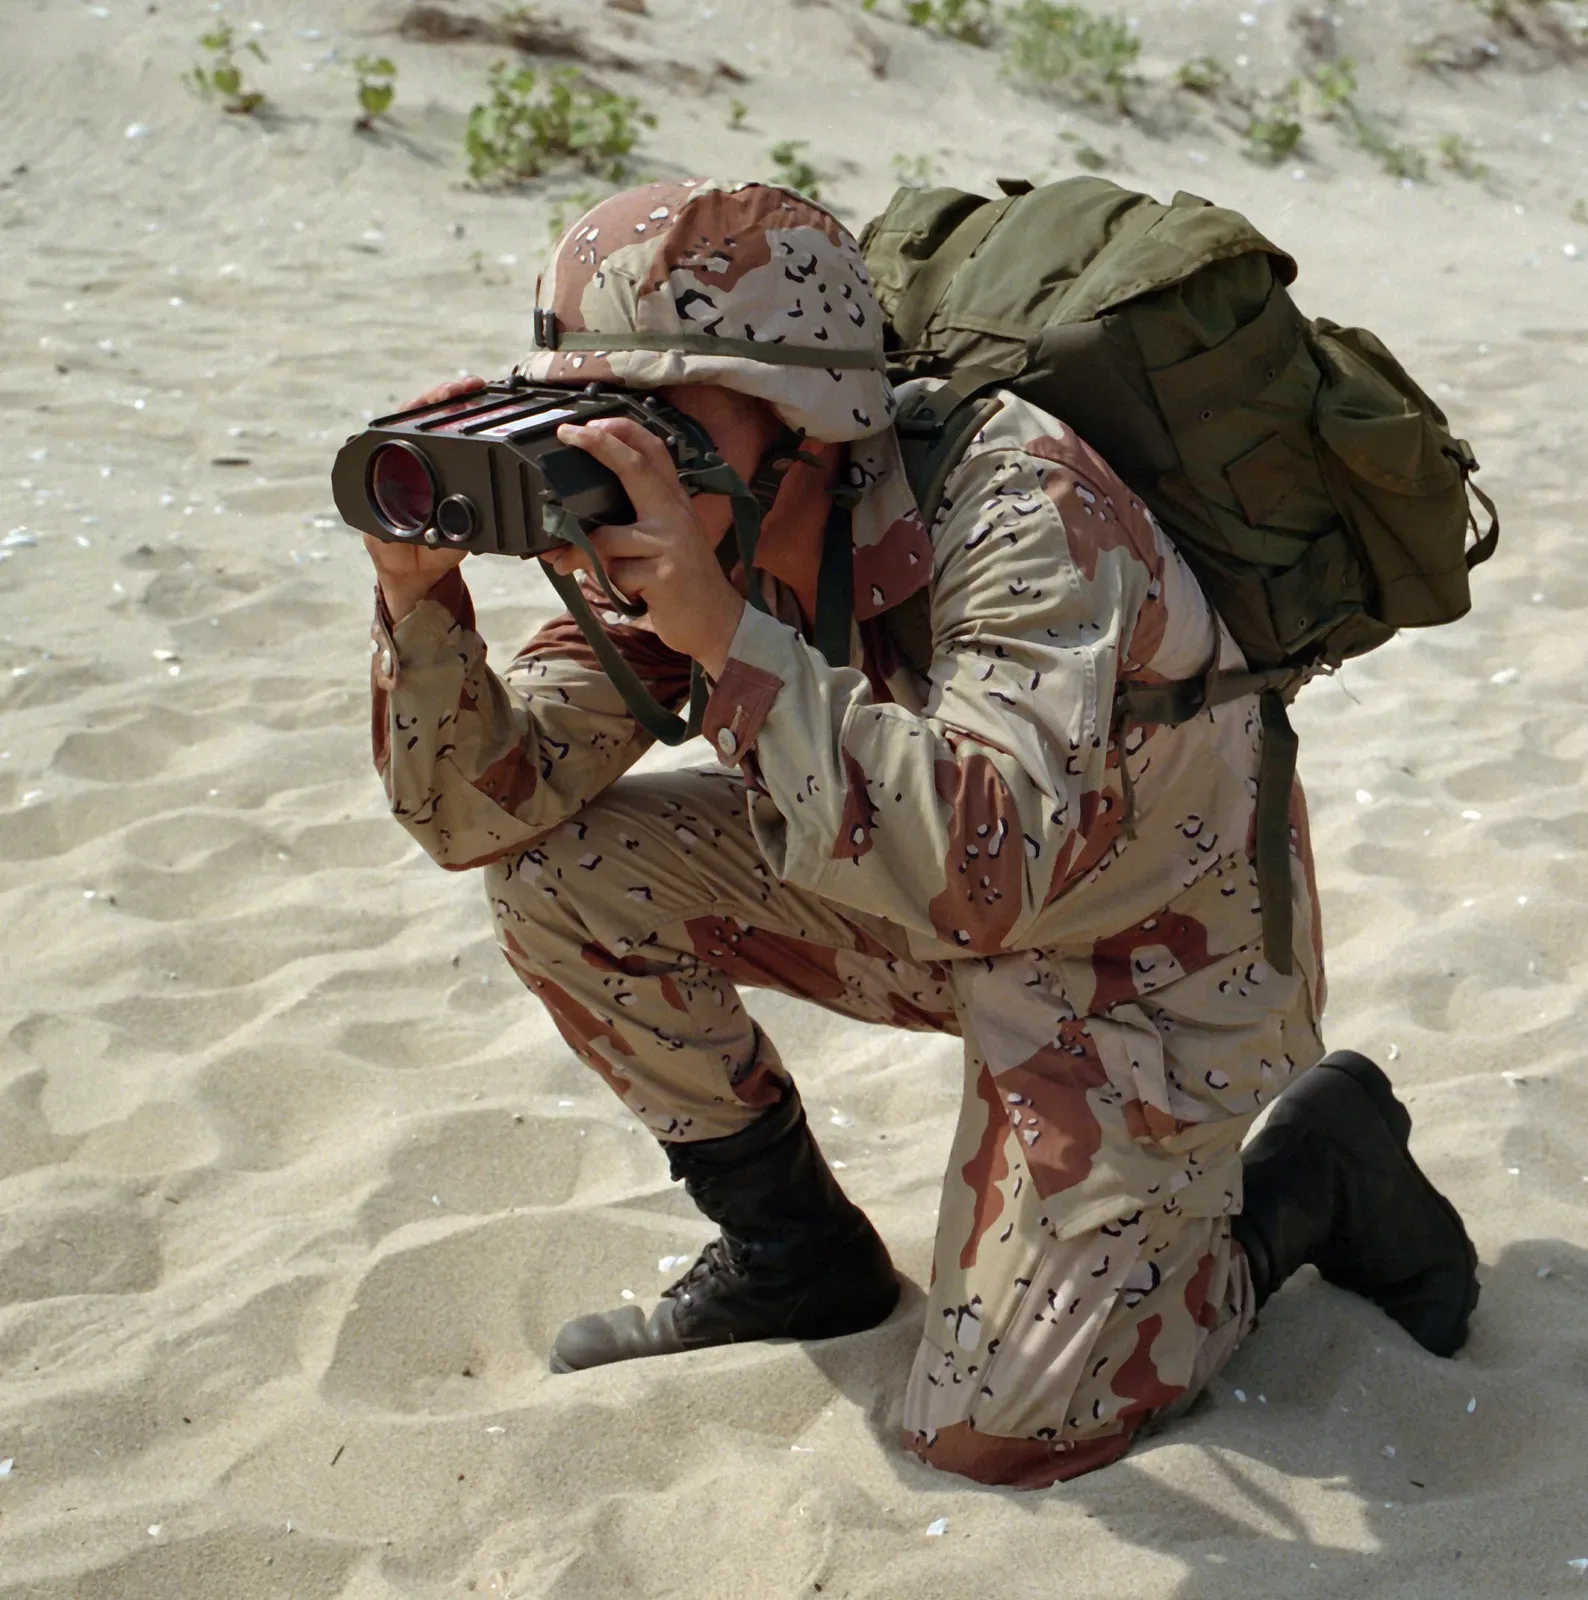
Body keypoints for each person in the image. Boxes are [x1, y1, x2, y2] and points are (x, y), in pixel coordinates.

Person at [362, 178, 1478, 1488]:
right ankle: (798, 1261)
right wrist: (420, 600)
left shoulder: (1019, 503)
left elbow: (994, 867)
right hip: (936, 884)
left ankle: (1313, 1171)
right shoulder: (695, 523)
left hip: (1145, 951)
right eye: (590, 404)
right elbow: (481, 815)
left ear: (807, 404)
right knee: (564, 875)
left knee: (993, 1429)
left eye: (657, 407)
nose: (621, 450)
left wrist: (726, 635)